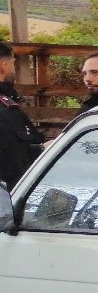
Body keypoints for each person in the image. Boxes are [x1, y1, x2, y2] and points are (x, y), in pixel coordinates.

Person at [0, 41, 45, 190]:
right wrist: (41, 149)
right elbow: (12, 163)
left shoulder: (8, 105)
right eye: (13, 64)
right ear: (3, 66)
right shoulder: (6, 110)